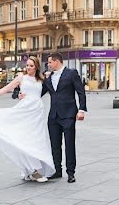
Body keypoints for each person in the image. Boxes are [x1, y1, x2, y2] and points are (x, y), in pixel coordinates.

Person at [42, 52, 87, 183]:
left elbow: (80, 92)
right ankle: (57, 170)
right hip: (53, 116)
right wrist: (23, 95)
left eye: (50, 62)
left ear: (56, 61)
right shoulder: (49, 77)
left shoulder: (71, 73)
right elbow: (40, 92)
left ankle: (71, 172)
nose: (48, 65)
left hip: (68, 114)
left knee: (69, 144)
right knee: (55, 145)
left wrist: (82, 109)